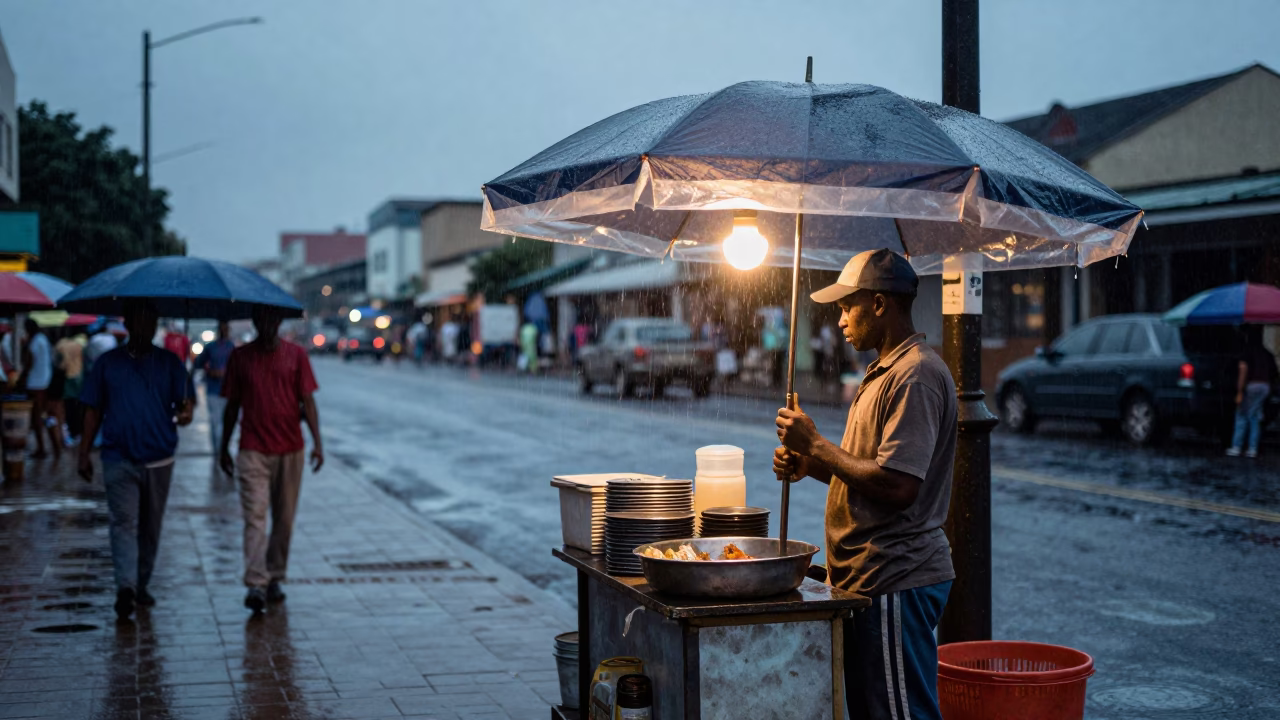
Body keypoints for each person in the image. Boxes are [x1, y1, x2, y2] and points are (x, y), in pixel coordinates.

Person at [773, 248, 956, 720]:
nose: (839, 321)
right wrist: (807, 465)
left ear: (879, 304)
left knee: (900, 713)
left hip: (895, 577)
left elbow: (898, 487)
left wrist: (815, 444)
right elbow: (863, 470)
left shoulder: (916, 375)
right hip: (864, 579)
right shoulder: (882, 372)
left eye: (846, 306)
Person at [78, 300, 194, 620]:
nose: (144, 327)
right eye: (139, 321)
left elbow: (186, 406)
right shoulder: (107, 364)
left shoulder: (171, 364)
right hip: (118, 455)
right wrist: (83, 452)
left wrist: (185, 413)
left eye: (150, 321)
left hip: (159, 457)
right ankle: (125, 586)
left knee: (150, 526)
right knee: (123, 522)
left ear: (155, 325)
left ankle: (140, 583)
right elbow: (92, 410)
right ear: (128, 324)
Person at [219, 305, 324, 613]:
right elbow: (231, 406)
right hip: (252, 448)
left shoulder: (296, 356)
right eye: (260, 319)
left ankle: (275, 575)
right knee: (255, 517)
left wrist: (318, 443)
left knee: (284, 518)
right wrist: (223, 446)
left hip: (290, 448)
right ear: (255, 321)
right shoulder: (240, 358)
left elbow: (308, 401)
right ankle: (255, 582)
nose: (266, 325)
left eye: (271, 320)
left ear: (278, 322)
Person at [1227, 329, 1278, 459]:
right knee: (1255, 417)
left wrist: (1239, 391)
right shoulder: (1267, 353)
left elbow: (1243, 370)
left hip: (1252, 386)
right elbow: (1274, 373)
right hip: (1265, 386)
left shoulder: (1246, 352)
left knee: (1242, 416)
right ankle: (1252, 448)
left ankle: (1237, 446)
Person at [194, 321, 236, 457]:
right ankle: (218, 450)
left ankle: (223, 448)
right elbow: (198, 363)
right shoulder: (211, 347)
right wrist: (210, 371)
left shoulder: (232, 348)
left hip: (228, 391)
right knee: (215, 422)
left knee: (226, 422)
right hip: (213, 390)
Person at [18, 319, 55, 459]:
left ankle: (42, 447)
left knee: (37, 416)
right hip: (44, 380)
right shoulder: (42, 339)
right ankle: (53, 444)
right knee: (43, 414)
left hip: (35, 383)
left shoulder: (35, 341)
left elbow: (29, 363)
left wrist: (22, 378)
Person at [57, 332, 86, 443]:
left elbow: (61, 365)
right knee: (78, 407)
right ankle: (78, 431)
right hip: (79, 377)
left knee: (69, 407)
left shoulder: (60, 345)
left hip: (67, 378)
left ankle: (72, 431)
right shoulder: (79, 345)